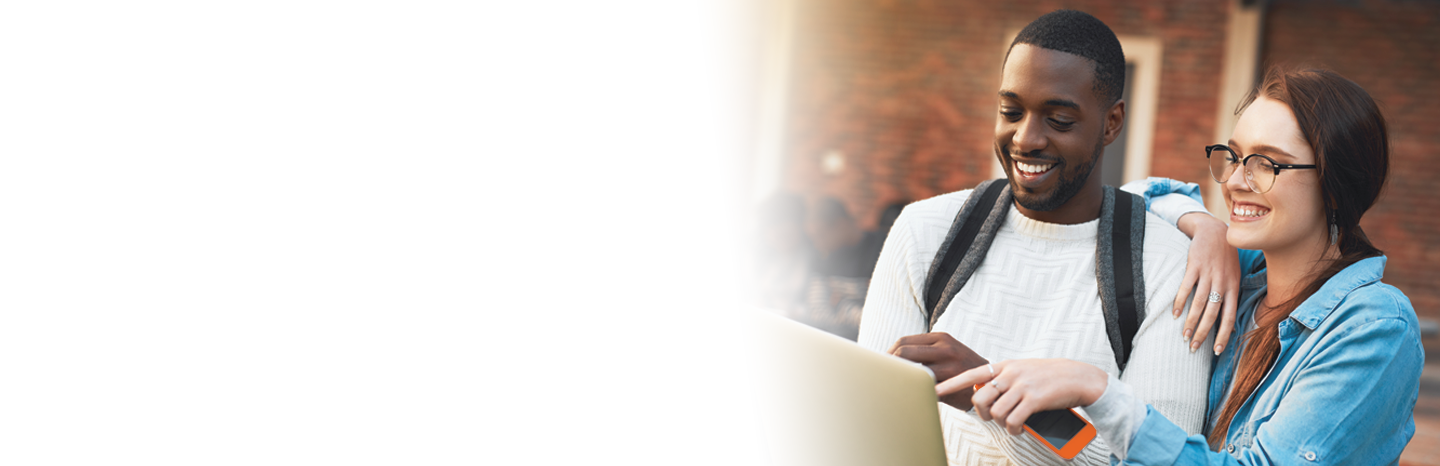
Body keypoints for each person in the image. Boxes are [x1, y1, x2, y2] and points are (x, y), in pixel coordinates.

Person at [939, 67, 1422, 465]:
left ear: (1336, 185)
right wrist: (1205, 226)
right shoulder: (1243, 278)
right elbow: (1136, 195)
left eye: (1267, 163)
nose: (1235, 180)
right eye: (1232, 157)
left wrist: (1098, 389)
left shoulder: (1373, 326)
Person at [859, 10, 1227, 464]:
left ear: (1111, 123)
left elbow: (1157, 456)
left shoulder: (1169, 265)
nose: (1026, 138)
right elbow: (870, 426)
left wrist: (985, 392)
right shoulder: (925, 232)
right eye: (1011, 112)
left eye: (1058, 120)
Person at [596, 166, 741, 386]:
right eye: (650, 204)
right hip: (677, 312)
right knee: (608, 300)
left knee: (708, 298)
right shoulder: (643, 224)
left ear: (685, 200)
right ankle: (661, 364)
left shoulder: (714, 216)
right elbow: (627, 284)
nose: (656, 211)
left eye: (664, 202)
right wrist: (641, 252)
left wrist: (666, 281)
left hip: (713, 319)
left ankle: (706, 373)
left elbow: (723, 274)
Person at [708, 192, 813, 462]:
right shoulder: (755, 249)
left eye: (785, 234)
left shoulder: (812, 252)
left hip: (797, 322)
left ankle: (758, 422)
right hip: (762, 315)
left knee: (768, 346)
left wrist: (794, 312)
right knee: (734, 336)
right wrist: (757, 304)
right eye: (772, 234)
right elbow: (752, 289)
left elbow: (815, 298)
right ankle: (728, 414)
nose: (778, 240)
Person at [800, 196, 886, 341]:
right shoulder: (823, 256)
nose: (817, 244)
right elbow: (816, 313)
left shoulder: (881, 249)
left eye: (821, 236)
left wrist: (841, 305)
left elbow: (880, 320)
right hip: (830, 337)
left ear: (841, 225)